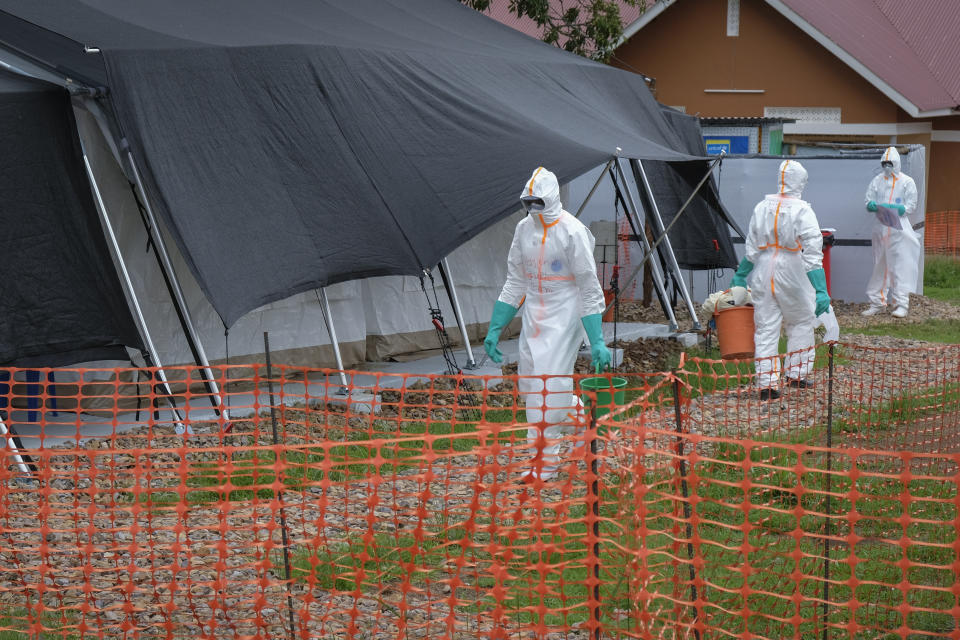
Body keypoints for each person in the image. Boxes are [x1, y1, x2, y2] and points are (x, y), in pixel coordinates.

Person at [483, 167, 611, 482]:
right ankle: (581, 415)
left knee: (546, 385)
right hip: (536, 313)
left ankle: (544, 463)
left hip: (566, 311)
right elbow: (515, 282)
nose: (532, 208)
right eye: (528, 202)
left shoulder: (572, 231)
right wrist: (495, 328)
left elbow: (588, 288)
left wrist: (596, 339)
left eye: (538, 201)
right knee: (532, 385)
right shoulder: (523, 230)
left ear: (551, 198)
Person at [730, 160, 830, 400]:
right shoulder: (803, 210)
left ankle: (768, 385)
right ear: (800, 182)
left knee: (765, 327)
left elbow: (752, 247)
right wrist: (821, 290)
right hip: (792, 268)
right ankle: (796, 374)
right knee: (801, 320)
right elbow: (813, 253)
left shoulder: (762, 206)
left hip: (764, 269)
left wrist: (741, 274)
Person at [862, 147, 920, 318]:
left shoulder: (907, 182)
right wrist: (871, 205)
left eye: (890, 163)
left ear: (896, 164)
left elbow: (911, 206)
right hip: (880, 227)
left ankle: (901, 303)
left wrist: (897, 208)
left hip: (898, 228)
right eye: (885, 163)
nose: (887, 166)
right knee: (879, 265)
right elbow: (868, 199)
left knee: (900, 266)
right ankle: (877, 303)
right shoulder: (877, 180)